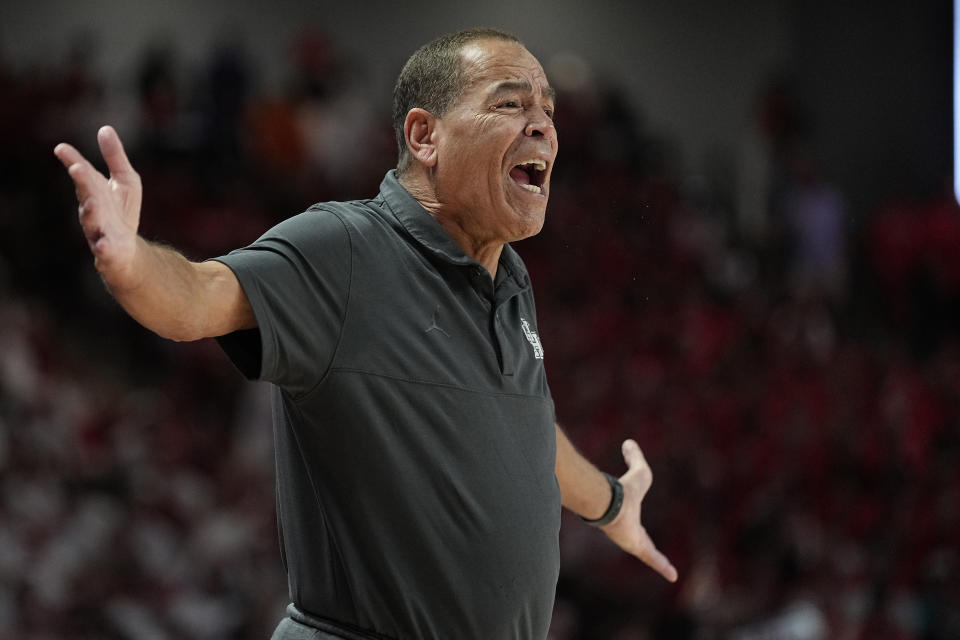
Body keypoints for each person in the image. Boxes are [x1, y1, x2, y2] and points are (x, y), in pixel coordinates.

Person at [54, 28, 677, 640]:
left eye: (547, 108)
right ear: (424, 136)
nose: (542, 124)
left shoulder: (509, 279)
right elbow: (196, 296)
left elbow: (524, 430)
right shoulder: (347, 249)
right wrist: (131, 261)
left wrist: (613, 505)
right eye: (510, 104)